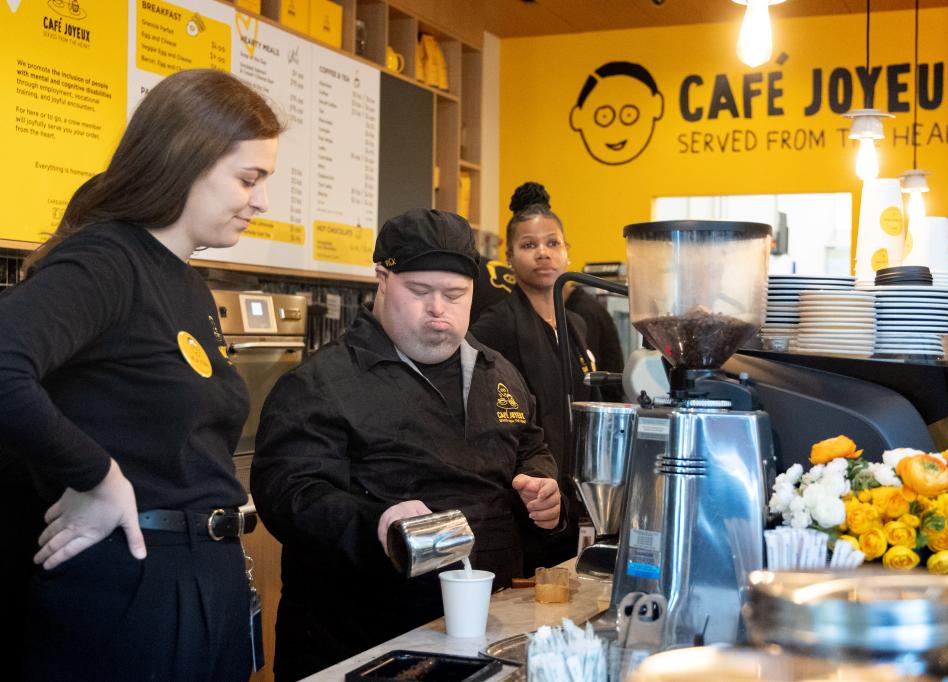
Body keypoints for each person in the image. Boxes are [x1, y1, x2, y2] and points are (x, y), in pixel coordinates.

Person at [0, 68, 281, 681]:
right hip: (132, 586)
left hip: (207, 577)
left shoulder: (187, 282)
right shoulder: (108, 260)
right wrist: (98, 476)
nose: (261, 201)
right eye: (248, 179)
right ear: (186, 160)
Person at [251, 208, 562, 681]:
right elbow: (290, 495)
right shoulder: (321, 384)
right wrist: (376, 521)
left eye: (455, 295)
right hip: (361, 646)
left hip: (487, 638)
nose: (439, 308)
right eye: (420, 292)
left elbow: (529, 446)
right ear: (382, 278)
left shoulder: (497, 373)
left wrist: (542, 486)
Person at [471, 182, 600, 570]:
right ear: (509, 257)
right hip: (524, 497)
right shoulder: (496, 326)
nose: (543, 253)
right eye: (529, 245)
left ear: (567, 252)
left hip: (577, 497)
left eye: (552, 243)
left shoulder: (576, 324)